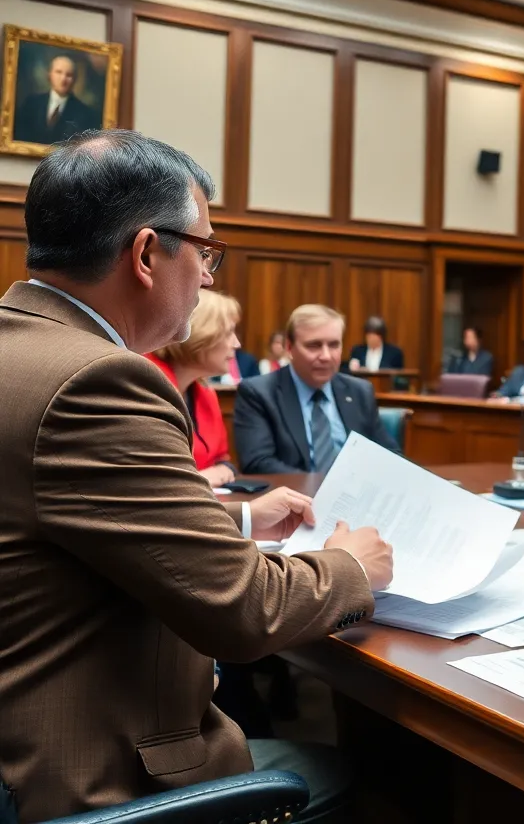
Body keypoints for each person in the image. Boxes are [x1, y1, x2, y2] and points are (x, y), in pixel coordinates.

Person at [0, 129, 393, 824]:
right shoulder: (100, 380)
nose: (210, 276)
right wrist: (351, 565)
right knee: (376, 780)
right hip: (92, 772)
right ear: (148, 253)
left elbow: (73, 521)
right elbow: (244, 611)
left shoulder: (20, 344)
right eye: (205, 251)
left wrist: (238, 519)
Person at [234, 304, 402, 474]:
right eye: (314, 346)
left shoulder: (359, 391)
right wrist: (325, 489)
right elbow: (258, 463)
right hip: (295, 496)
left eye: (334, 345)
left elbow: (390, 455)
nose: (326, 356)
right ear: (289, 347)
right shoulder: (259, 393)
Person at [146, 289, 243, 487]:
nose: (237, 344)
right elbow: (149, 477)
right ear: (200, 332)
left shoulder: (205, 392)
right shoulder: (146, 381)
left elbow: (223, 460)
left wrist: (221, 470)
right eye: (228, 333)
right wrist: (203, 478)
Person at [13, 54, 101, 146]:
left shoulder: (85, 113)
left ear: (75, 79)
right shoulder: (31, 103)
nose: (63, 79)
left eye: (69, 75)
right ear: (49, 74)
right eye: (58, 72)